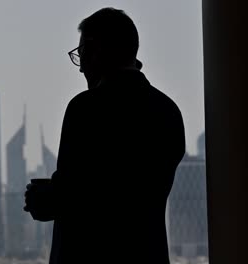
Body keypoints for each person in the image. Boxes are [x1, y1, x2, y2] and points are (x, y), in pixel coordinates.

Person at [24, 7, 185, 264]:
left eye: (81, 54)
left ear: (95, 50)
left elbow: (74, 194)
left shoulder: (86, 108)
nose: (80, 69)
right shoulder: (168, 111)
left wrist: (40, 199)